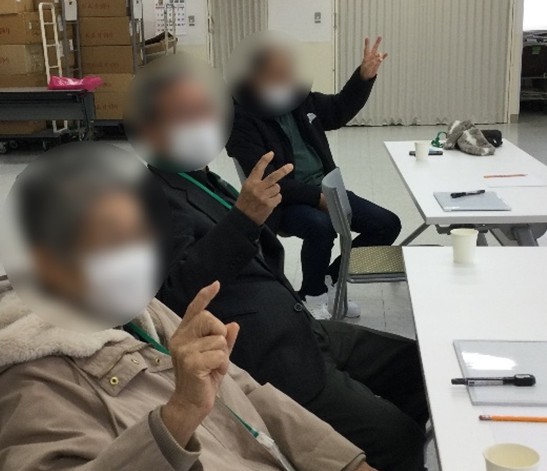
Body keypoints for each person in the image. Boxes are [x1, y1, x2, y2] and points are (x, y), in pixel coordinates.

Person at [0, 144, 375, 471]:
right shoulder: (34, 384)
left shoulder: (139, 311)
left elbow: (245, 390)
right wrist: (177, 418)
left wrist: (345, 461)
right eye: (113, 239)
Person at [133, 56, 428, 471]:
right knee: (399, 439)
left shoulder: (200, 179)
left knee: (420, 365)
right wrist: (244, 218)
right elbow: (176, 294)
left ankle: (357, 447)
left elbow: (337, 109)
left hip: (303, 329)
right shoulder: (148, 199)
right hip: (270, 359)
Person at [226, 35, 402, 319]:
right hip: (282, 201)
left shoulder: (299, 100)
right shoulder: (241, 120)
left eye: (287, 74)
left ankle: (332, 280)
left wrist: (363, 77)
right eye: (276, 75)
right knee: (321, 227)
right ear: (254, 77)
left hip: (326, 190)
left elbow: (338, 110)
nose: (285, 81)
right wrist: (317, 198)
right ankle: (312, 293)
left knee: (387, 224)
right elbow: (268, 181)